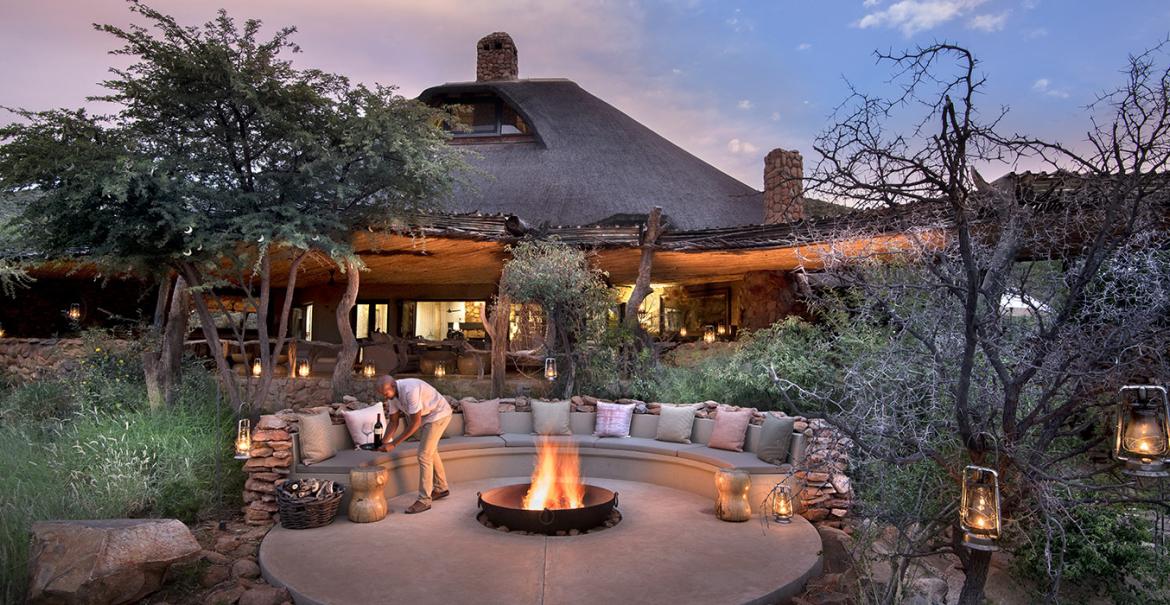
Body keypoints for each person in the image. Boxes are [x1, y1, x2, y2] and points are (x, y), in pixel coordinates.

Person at [375, 375, 453, 514]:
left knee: (423, 455)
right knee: (430, 451)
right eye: (383, 394)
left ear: (393, 386)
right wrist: (384, 442)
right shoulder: (393, 397)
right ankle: (441, 488)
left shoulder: (410, 390)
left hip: (439, 414)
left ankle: (424, 500)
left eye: (386, 394)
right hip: (427, 417)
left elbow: (415, 423)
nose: (385, 397)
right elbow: (393, 422)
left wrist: (394, 444)